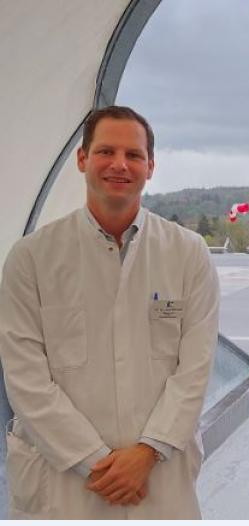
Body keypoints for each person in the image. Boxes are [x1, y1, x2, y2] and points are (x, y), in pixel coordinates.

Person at [0, 106, 220, 519]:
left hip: (158, 473)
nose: (120, 164)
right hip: (63, 476)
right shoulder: (31, 257)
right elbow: (25, 377)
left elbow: (195, 369)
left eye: (134, 155)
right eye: (105, 151)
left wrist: (148, 452)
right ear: (83, 159)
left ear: (150, 166)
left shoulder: (188, 253)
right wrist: (95, 460)